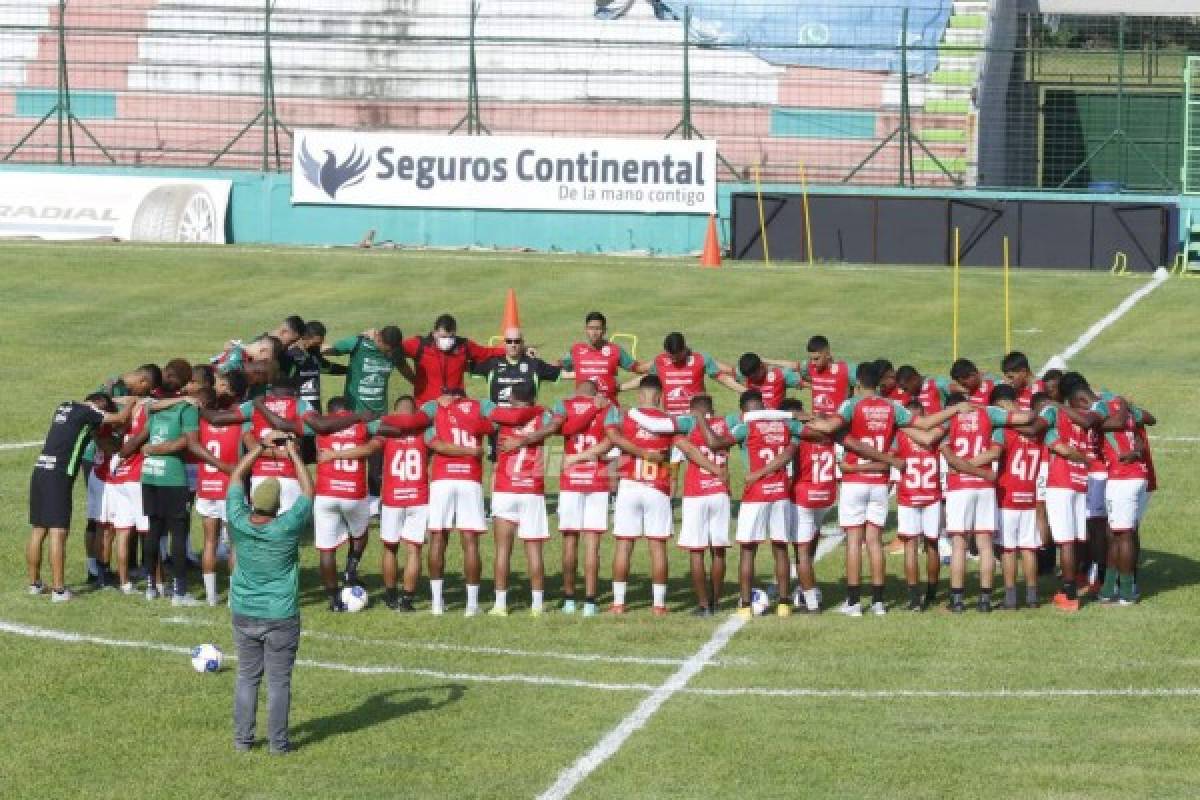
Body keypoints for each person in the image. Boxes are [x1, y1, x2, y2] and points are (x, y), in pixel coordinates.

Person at [806, 362, 968, 616]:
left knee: (853, 542)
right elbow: (924, 426)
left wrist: (800, 418)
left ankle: (854, 603)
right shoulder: (893, 407)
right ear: (880, 384)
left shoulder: (852, 405)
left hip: (855, 481)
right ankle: (879, 603)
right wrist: (955, 409)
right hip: (880, 482)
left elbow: (827, 428)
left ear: (858, 384)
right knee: (874, 542)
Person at [227, 434, 313, 755]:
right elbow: (308, 490)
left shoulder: (237, 520)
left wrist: (259, 450)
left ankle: (242, 741)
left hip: (244, 611)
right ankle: (278, 744)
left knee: (247, 678)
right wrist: (292, 453)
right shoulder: (287, 528)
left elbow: (235, 476)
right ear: (278, 506)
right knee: (278, 682)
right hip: (281, 614)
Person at [26, 393, 129, 601]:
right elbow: (120, 419)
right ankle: (59, 590)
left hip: (40, 470)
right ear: (100, 409)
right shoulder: (89, 413)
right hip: (58, 475)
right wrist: (134, 402)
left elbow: (100, 439)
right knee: (58, 532)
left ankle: (35, 584)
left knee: (38, 530)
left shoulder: (65, 406)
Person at [939, 391, 1033, 613]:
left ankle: (958, 600)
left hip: (959, 485)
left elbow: (933, 440)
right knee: (985, 544)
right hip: (984, 484)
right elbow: (1026, 418)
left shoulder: (946, 417)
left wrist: (961, 466)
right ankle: (985, 600)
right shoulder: (988, 413)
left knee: (959, 544)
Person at [421, 389, 496, 616]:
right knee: (470, 541)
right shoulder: (477, 411)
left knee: (437, 538)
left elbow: (435, 443)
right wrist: (472, 449)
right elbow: (495, 424)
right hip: (469, 479)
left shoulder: (435, 412)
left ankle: (436, 603)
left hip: (442, 479)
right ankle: (471, 605)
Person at [487, 385, 561, 616]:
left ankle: (500, 605)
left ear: (511, 398)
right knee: (534, 551)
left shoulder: (503, 416)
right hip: (531, 489)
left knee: (502, 550)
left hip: (505, 488)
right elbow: (556, 425)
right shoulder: (542, 416)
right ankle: (537, 606)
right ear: (534, 397)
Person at [551, 380, 618, 616]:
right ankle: (590, 602)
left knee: (569, 542)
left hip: (570, 480)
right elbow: (610, 441)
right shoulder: (608, 407)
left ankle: (569, 599)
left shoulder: (564, 404)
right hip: (597, 480)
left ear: (577, 391)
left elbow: (560, 430)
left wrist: (573, 459)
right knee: (593, 544)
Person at [310, 396, 381, 611]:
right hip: (353, 492)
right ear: (349, 410)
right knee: (360, 533)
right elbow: (374, 442)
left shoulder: (322, 428)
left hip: (326, 492)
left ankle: (333, 600)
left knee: (326, 549)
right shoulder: (362, 425)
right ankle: (351, 570)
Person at [674, 394, 731, 616]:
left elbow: (688, 451)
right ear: (712, 409)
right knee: (718, 551)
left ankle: (703, 605)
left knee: (696, 552)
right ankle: (716, 601)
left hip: (696, 493)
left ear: (692, 411)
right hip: (720, 492)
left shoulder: (687, 428)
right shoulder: (725, 424)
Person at [991, 386, 1047, 610]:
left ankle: (1011, 598)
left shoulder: (1003, 430)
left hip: (1007, 496)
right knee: (1028, 548)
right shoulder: (1037, 432)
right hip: (1030, 495)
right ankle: (1032, 597)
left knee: (1008, 549)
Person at [892, 402, 947, 611]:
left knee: (910, 546)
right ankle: (932, 593)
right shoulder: (935, 433)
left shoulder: (899, 435)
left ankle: (914, 598)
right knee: (932, 544)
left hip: (908, 495)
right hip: (931, 495)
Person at [194, 387, 240, 606]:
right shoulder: (236, 424)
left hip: (206, 487)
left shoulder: (200, 424)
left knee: (209, 542)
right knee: (234, 545)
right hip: (229, 489)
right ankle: (233, 597)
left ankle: (211, 597)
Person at [401, 314, 503, 407]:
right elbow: (394, 349)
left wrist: (510, 349)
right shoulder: (420, 346)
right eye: (443, 337)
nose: (448, 341)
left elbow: (486, 353)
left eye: (451, 337)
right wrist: (410, 376)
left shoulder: (463, 346)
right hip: (426, 407)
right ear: (434, 333)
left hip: (456, 406)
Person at [560, 311, 641, 403]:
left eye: (598, 328)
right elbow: (560, 365)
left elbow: (637, 368)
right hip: (583, 408)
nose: (594, 333)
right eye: (591, 328)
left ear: (604, 330)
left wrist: (621, 387)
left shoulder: (615, 350)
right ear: (586, 329)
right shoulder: (576, 350)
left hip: (608, 409)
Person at [768, 335, 858, 417]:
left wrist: (851, 400)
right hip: (816, 423)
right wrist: (766, 361)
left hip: (838, 425)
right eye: (811, 359)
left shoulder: (845, 369)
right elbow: (794, 366)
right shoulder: (810, 367)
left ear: (827, 354)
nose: (813, 362)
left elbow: (866, 383)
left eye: (816, 359)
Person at [471, 326, 561, 404]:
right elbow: (462, 364)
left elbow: (564, 374)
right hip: (498, 419)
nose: (513, 345)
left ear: (522, 343)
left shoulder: (535, 364)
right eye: (509, 341)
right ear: (504, 343)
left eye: (517, 341)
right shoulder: (492, 363)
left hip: (525, 419)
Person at [735, 352, 802, 410]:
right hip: (753, 417)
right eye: (750, 378)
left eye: (755, 376)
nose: (753, 380)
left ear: (761, 366)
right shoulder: (745, 373)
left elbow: (795, 366)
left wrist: (765, 360)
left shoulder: (779, 373)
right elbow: (725, 375)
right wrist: (743, 390)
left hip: (776, 418)